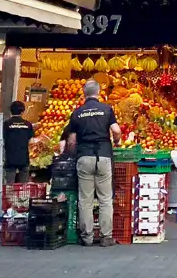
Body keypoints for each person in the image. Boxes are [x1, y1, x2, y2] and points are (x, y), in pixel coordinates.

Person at [63, 80, 121, 246]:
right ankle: (105, 237)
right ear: (99, 92)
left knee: (85, 200)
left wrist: (75, 153)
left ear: (84, 93)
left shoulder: (77, 112)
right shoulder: (106, 109)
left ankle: (87, 237)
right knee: (105, 199)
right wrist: (116, 142)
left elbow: (72, 140)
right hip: (103, 156)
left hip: (84, 157)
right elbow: (116, 131)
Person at [2, 100, 34, 185]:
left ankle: (9, 197)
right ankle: (23, 198)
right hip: (24, 158)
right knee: (23, 185)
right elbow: (31, 141)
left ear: (11, 111)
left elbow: (2, 139)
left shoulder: (6, 124)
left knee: (9, 184)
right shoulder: (28, 124)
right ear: (23, 111)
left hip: (10, 158)